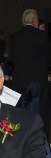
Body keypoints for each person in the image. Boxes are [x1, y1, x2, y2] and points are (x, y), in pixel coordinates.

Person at [9, 9, 51, 139]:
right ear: (33, 20)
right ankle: (40, 141)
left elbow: (12, 59)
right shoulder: (41, 35)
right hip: (38, 82)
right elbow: (49, 58)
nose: (38, 21)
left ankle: (20, 140)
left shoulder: (14, 37)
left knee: (21, 114)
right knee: (40, 114)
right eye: (37, 18)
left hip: (19, 81)